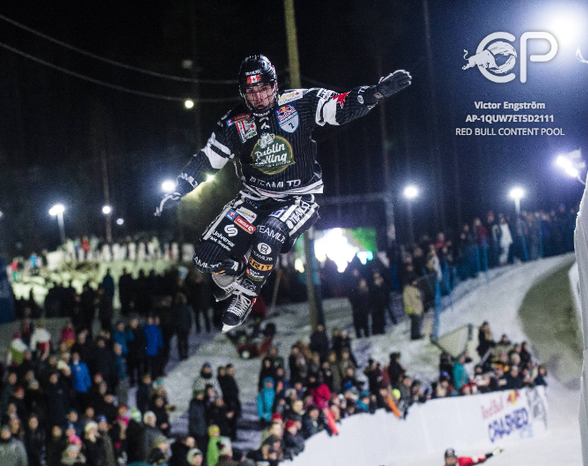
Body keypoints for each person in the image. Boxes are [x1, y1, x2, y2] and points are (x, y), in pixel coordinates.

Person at [155, 55, 411, 332]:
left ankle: (247, 293)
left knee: (268, 233)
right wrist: (181, 187)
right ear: (243, 93)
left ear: (275, 85)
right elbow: (208, 159)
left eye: (263, 89)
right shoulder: (234, 122)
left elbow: (340, 107)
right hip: (253, 198)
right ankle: (239, 272)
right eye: (251, 92)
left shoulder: (300, 103)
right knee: (204, 259)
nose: (259, 97)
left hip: (297, 197)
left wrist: (374, 93)